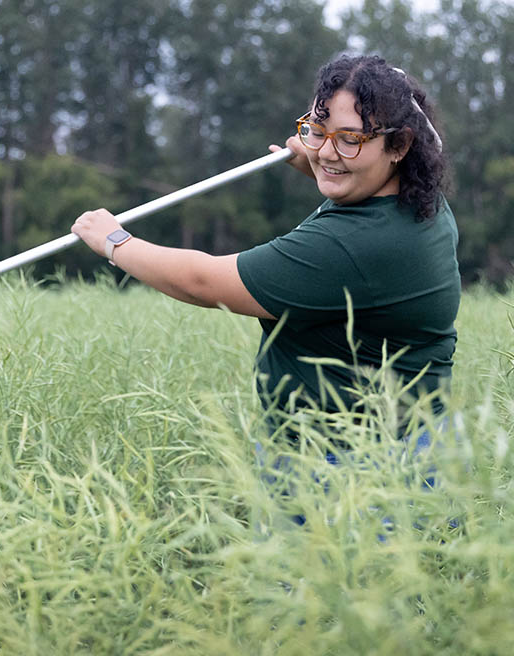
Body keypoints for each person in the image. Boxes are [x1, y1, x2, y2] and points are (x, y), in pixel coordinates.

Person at [72, 54, 459, 450]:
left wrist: (116, 242)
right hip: (413, 439)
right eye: (317, 130)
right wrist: (323, 165)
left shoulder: (350, 247)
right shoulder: (423, 203)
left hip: (352, 467)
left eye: (349, 139)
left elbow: (202, 282)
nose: (326, 151)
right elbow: (354, 185)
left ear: (399, 145)